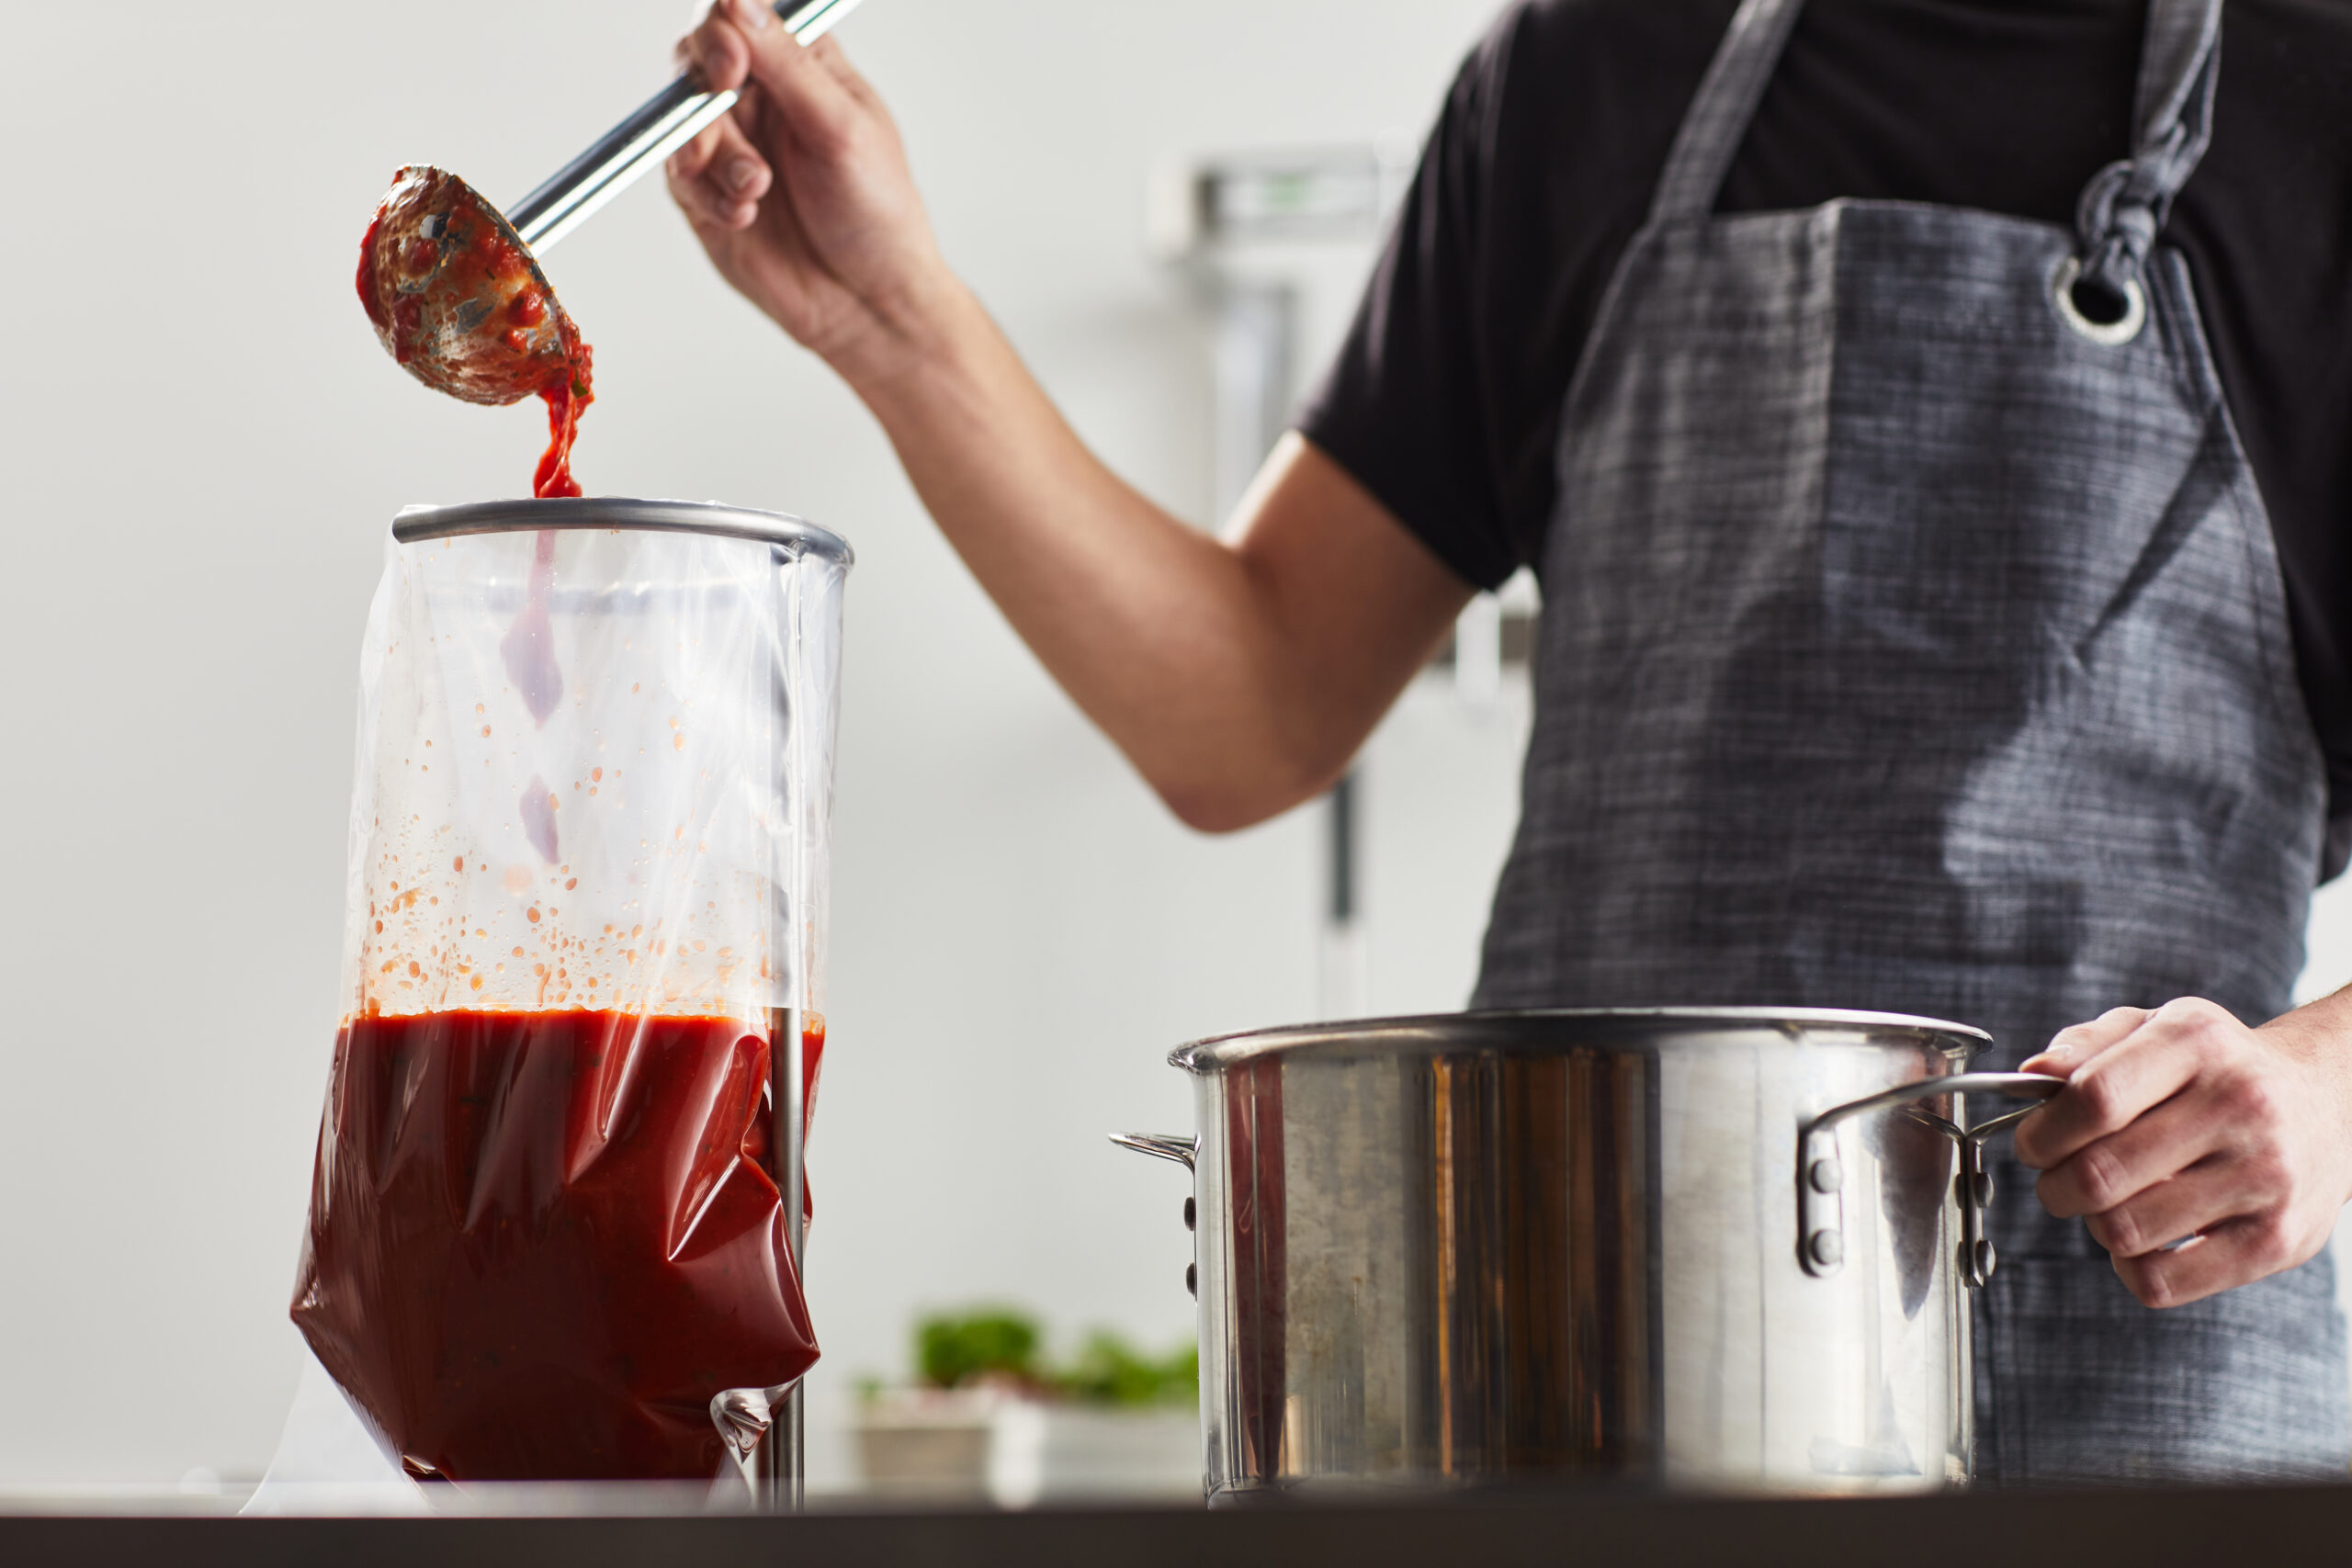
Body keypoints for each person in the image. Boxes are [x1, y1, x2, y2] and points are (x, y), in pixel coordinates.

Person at [666, 0, 2352, 1483]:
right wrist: (890, 316)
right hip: (1565, 1407)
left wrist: (2323, 1091)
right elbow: (1245, 706)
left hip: (2146, 1431)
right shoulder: (1592, 67)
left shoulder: (2320, 104)